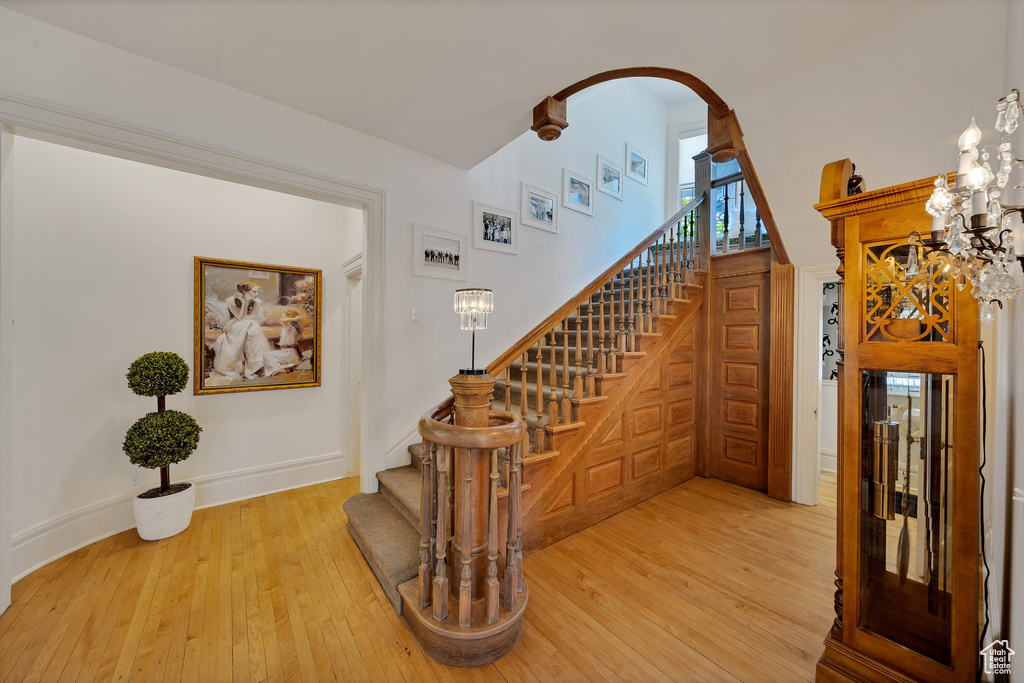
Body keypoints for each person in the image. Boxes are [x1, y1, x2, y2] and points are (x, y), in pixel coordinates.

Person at [209, 279, 275, 383]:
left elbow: (251, 318)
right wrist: (244, 303)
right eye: (254, 291)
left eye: (257, 291)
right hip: (236, 327)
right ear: (244, 291)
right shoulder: (230, 300)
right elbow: (241, 318)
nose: (257, 294)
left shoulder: (257, 301)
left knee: (253, 325)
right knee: (253, 326)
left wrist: (232, 321)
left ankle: (254, 367)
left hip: (247, 324)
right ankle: (254, 367)